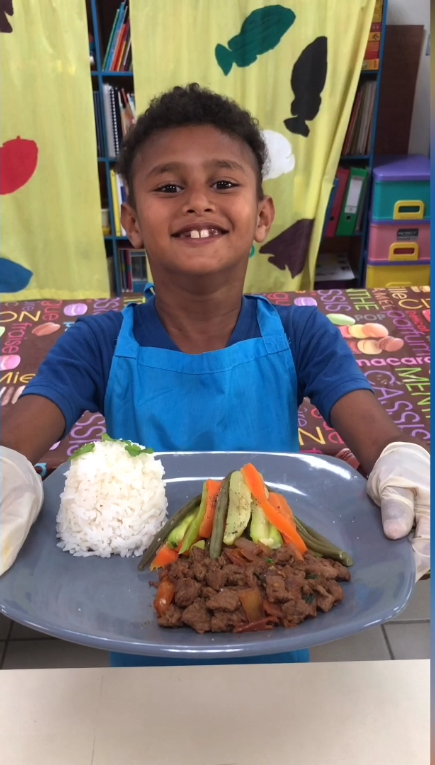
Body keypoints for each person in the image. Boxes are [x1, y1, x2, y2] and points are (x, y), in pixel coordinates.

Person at [1, 84, 430, 667]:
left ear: (261, 216)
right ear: (132, 220)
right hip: (144, 609)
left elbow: (378, 436)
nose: (197, 201)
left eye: (224, 183)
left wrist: (401, 462)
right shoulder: (97, 343)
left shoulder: (304, 336)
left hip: (274, 615)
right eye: (169, 186)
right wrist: (8, 468)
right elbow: (19, 435)